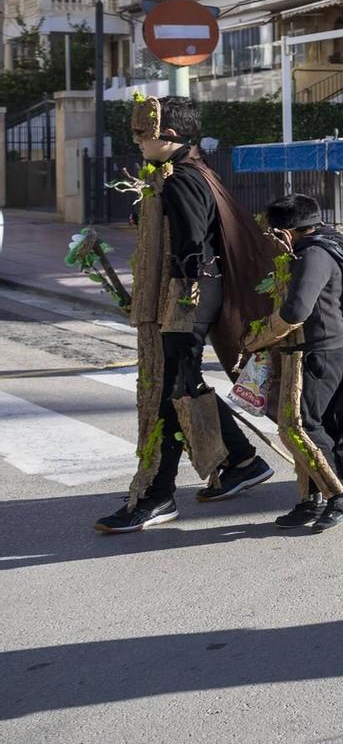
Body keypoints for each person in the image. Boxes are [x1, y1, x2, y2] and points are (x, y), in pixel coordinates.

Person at [95, 96, 275, 534]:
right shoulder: (186, 172)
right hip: (189, 294)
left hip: (187, 298)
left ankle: (158, 496)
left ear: (168, 135)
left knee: (168, 395)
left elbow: (194, 243)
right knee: (184, 387)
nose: (137, 140)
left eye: (142, 133)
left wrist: (169, 297)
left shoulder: (181, 179)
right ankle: (241, 461)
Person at [247, 194, 343, 531]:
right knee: (306, 423)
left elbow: (295, 311)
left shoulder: (313, 256)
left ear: (287, 232)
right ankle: (311, 499)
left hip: (320, 352)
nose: (271, 242)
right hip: (312, 350)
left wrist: (258, 337)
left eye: (273, 234)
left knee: (302, 426)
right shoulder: (317, 248)